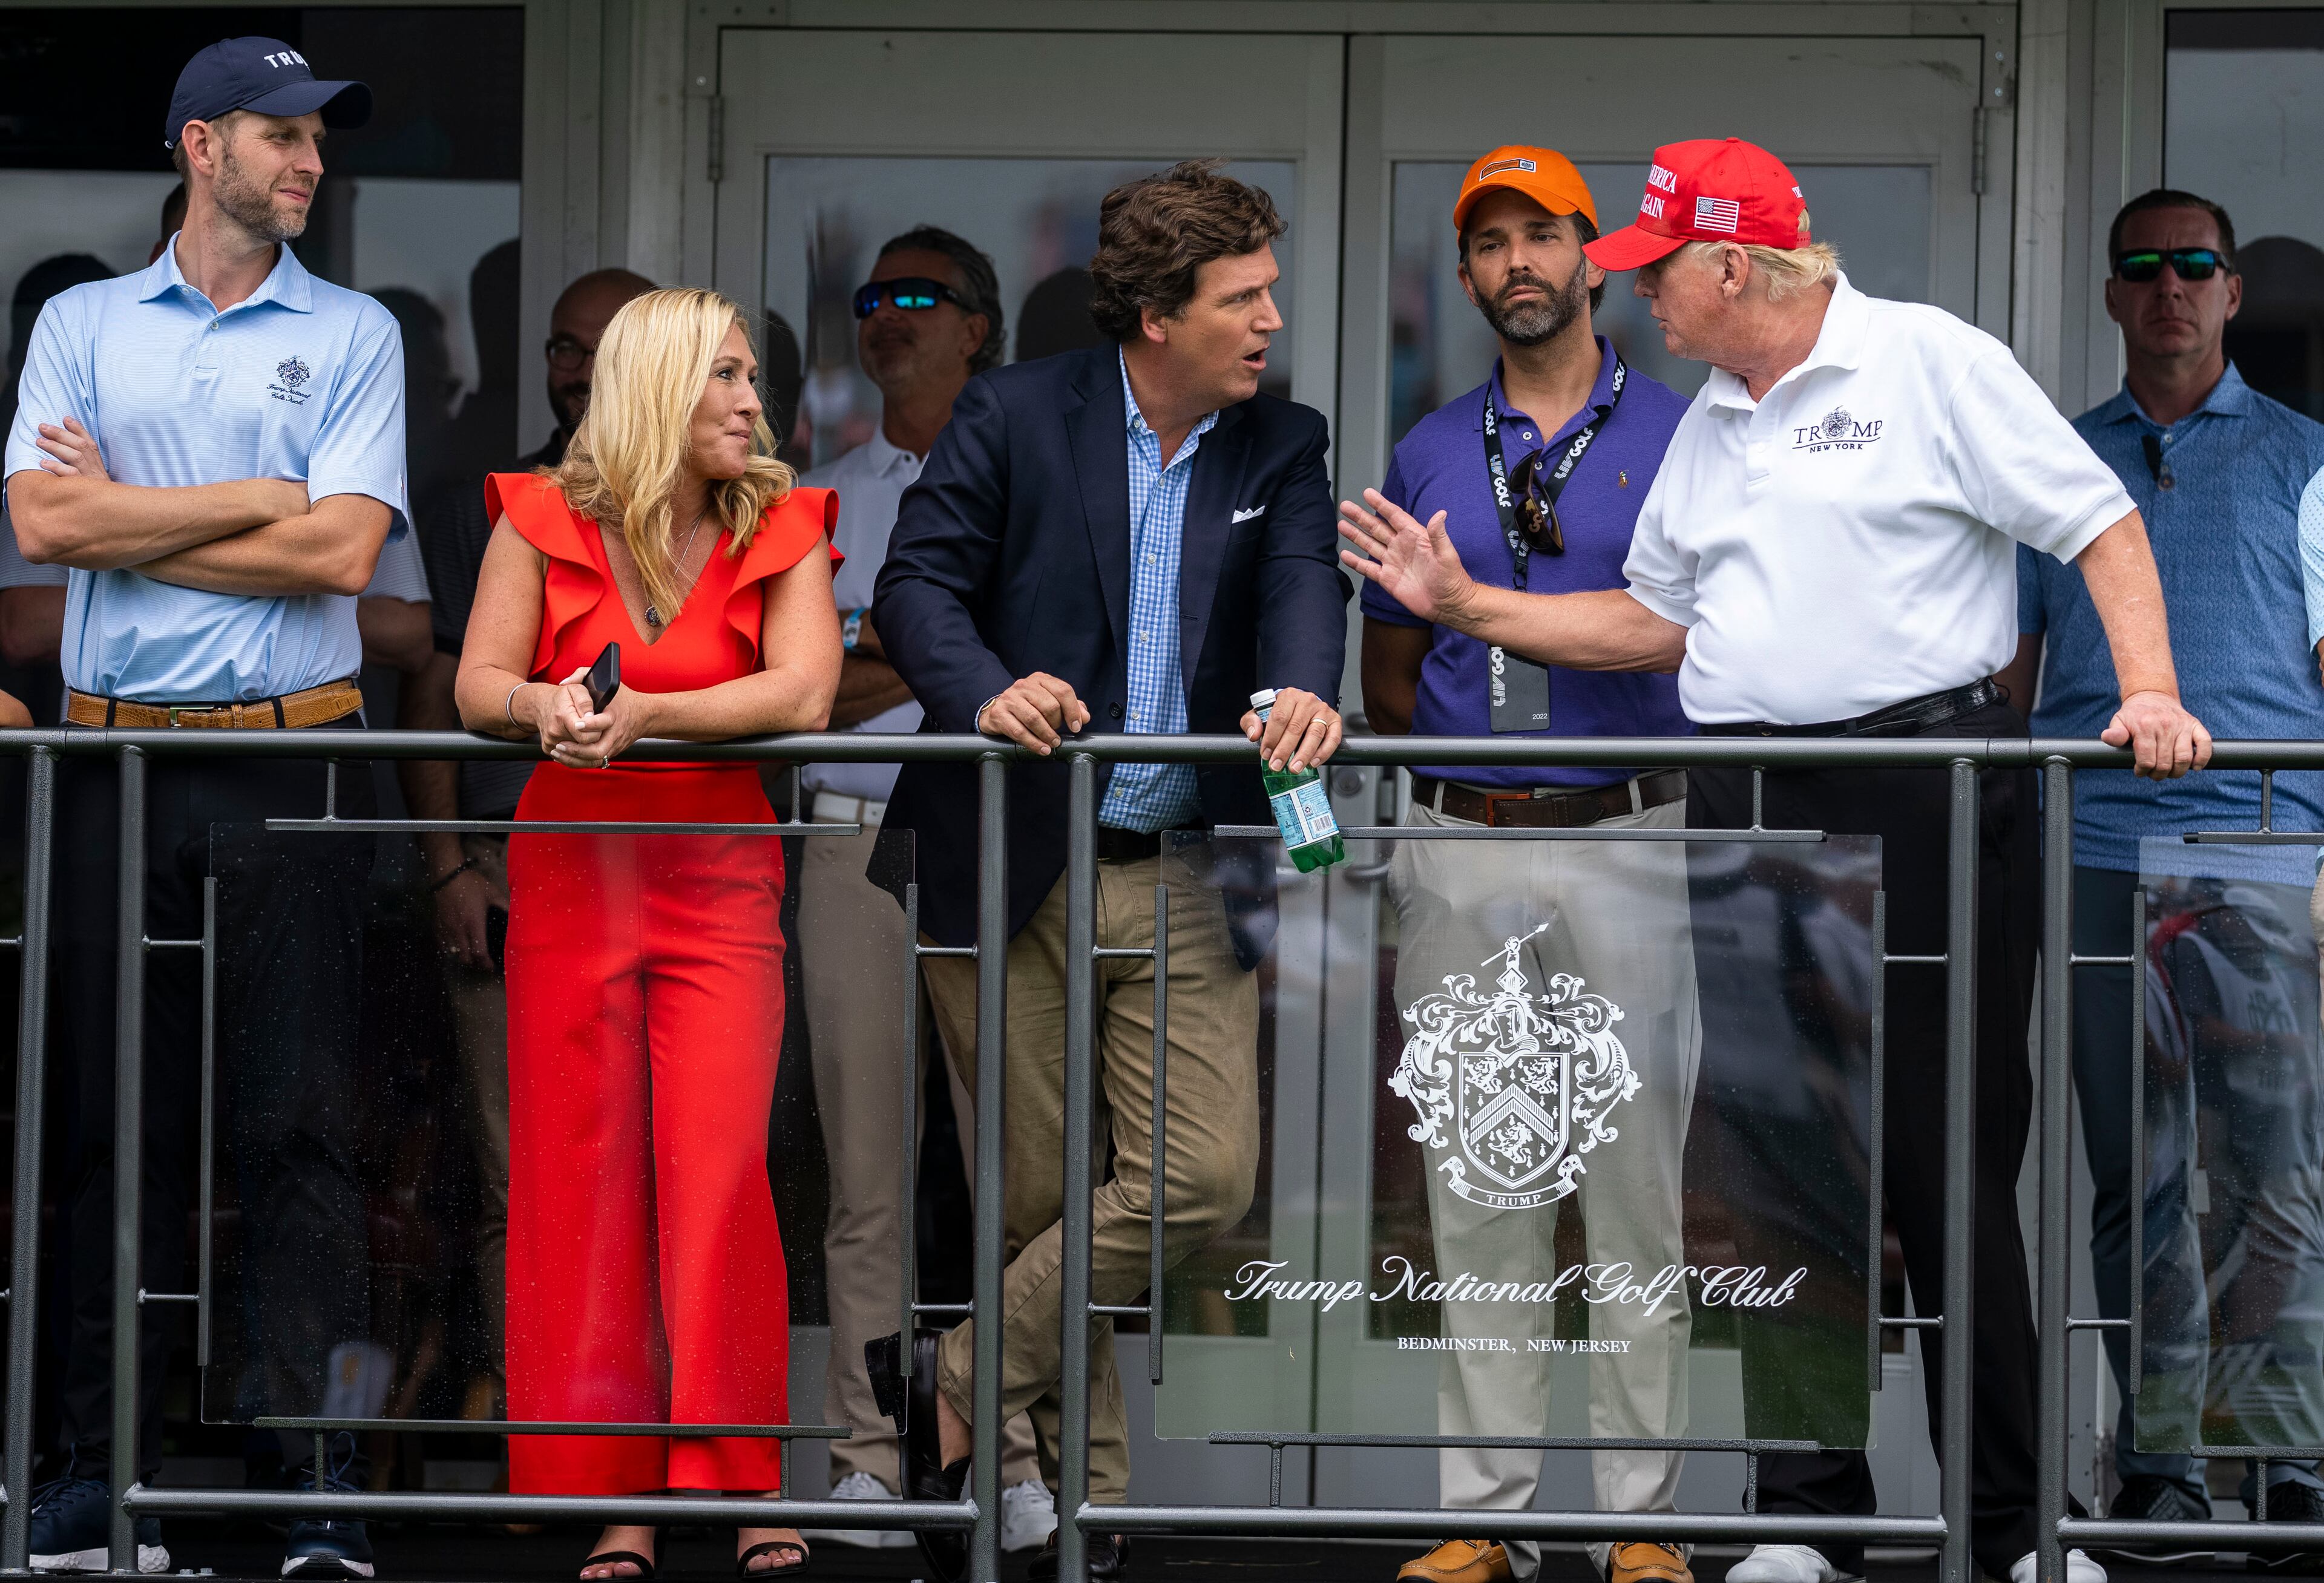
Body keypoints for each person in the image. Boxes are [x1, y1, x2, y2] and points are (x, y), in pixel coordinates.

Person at [1342, 136, 2212, 1583]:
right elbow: (1652, 623)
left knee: (1945, 1167)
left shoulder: (1927, 359)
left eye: (1657, 271)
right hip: (1755, 801)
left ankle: (2008, 1533)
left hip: (1930, 784)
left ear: (1733, 268)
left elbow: (2100, 523)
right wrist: (1469, 606)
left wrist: (2153, 691)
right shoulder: (1715, 420)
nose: (1642, 296)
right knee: (1779, 1170)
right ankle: (1810, 1513)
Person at [870, 159, 1350, 1583]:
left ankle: (956, 1377)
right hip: (1012, 849)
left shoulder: (1284, 441)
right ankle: (1086, 1507)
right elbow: (914, 588)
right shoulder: (1015, 413)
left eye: (1269, 292)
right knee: (1038, 1198)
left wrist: (1305, 689)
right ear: (1156, 315)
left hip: (1187, 863)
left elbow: (1305, 588)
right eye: (1244, 298)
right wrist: (986, 688)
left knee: (1199, 1179)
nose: (1271, 321)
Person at [4, 36, 397, 1578]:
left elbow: (343, 555)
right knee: (112, 1136)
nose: (311, 161)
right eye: (281, 134)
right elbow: (45, 523)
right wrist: (258, 498)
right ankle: (94, 1478)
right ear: (200, 146)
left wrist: (129, 519)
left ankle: (324, 1484)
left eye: (318, 138)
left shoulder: (354, 328)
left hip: (295, 755)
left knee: (311, 1138)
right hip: (113, 762)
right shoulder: (80, 323)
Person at [453, 286, 841, 1581]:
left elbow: (806, 694)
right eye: (726, 376)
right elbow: (477, 684)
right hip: (574, 873)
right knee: (587, 1179)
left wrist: (646, 719)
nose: (751, 401)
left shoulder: (781, 521)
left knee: (720, 1175)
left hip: (718, 878)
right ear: (659, 389)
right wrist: (544, 709)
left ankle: (741, 1477)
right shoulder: (539, 515)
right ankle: (613, 1496)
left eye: (750, 377)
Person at [1363, 147, 1699, 1583]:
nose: (1518, 262)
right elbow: (1390, 674)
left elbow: (1701, 636)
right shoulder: (1431, 447)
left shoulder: (1686, 435)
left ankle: (1640, 1522)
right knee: (1481, 1191)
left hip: (1629, 834)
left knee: (1634, 1193)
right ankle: (1485, 1514)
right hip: (1466, 840)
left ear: (1591, 255)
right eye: (1490, 241)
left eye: (1542, 234)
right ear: (1465, 274)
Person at [2008, 188, 2324, 1532]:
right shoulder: (2058, 464)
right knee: (2133, 1180)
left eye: (2195, 264)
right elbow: (2012, 681)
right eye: (2142, 266)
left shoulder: (2309, 458)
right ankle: (2163, 1474)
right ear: (2111, 295)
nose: (2169, 287)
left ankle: (2285, 1467)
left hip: (2271, 849)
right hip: (2096, 852)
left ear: (2233, 291)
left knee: (2274, 1176)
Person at [793, 225, 1051, 1552]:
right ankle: (867, 1462)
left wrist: (888, 641)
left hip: (991, 842)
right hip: (850, 842)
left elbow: (1048, 656)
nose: (886, 315)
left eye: (918, 295)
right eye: (872, 296)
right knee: (866, 1182)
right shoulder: (816, 498)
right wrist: (948, 645)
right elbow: (805, 697)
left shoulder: (1030, 475)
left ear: (977, 328)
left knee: (1014, 1176)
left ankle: (1014, 1459)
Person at [407, 266, 654, 1422]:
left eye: (603, 349)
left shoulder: (722, 504)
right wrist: (449, 862)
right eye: (564, 347)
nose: (578, 371)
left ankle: (643, 1429)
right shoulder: (497, 504)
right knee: (523, 1171)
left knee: (660, 1166)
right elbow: (434, 689)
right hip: (510, 871)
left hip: (670, 873)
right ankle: (540, 1432)